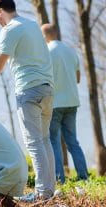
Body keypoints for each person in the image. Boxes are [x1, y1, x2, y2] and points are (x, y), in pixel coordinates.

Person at [0, 0, 55, 202]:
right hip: (47, 88)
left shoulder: (9, 30)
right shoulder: (31, 25)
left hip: (28, 91)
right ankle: (49, 190)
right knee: (45, 140)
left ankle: (42, 194)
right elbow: (23, 53)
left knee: (34, 142)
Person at [41, 23, 88, 184]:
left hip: (55, 103)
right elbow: (78, 79)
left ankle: (60, 180)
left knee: (54, 141)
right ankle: (84, 178)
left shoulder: (46, 52)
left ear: (45, 35)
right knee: (73, 142)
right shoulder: (71, 51)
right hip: (72, 102)